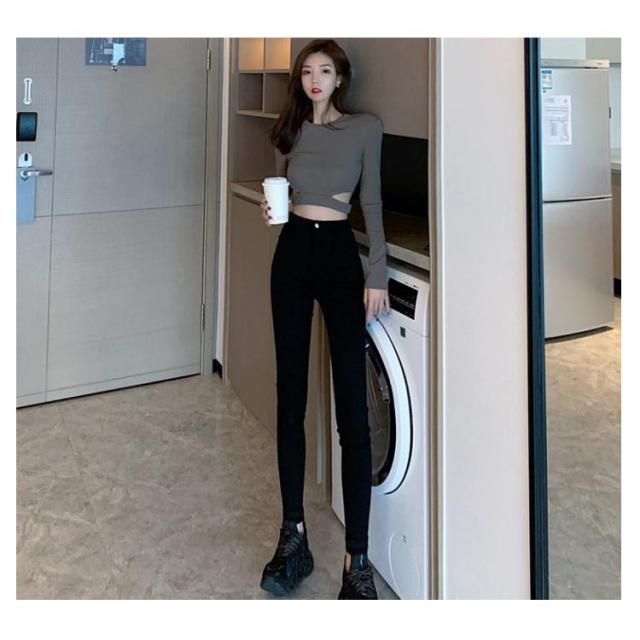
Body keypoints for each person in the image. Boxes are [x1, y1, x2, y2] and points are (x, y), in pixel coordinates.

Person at [258, 39, 389, 600]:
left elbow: (372, 202)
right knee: (290, 400)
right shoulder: (290, 130)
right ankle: (294, 535)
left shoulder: (364, 128)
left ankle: (357, 560)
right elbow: (284, 192)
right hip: (291, 254)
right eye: (307, 71)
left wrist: (377, 272)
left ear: (340, 79)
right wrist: (271, 207)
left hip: (338, 258)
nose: (315, 79)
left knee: (352, 412)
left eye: (325, 71)